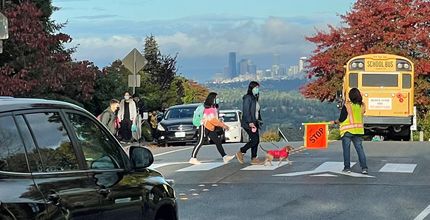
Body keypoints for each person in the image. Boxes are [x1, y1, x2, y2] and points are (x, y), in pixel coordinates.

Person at [189, 92, 235, 164]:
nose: (218, 100)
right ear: (213, 99)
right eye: (216, 98)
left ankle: (224, 156)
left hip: (210, 127)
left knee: (217, 141)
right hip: (204, 126)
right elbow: (212, 120)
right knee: (200, 142)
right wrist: (223, 126)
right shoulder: (208, 108)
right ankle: (193, 158)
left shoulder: (212, 107)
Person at [331, 88, 368, 174]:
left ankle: (347, 168)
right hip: (358, 131)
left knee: (346, 150)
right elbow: (362, 113)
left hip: (347, 131)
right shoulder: (362, 106)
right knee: (360, 150)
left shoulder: (347, 106)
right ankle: (364, 168)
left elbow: (342, 118)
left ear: (350, 96)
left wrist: (335, 122)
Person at [236, 81, 264, 165]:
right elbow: (246, 111)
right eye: (256, 88)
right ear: (251, 88)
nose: (257, 89)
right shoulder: (248, 97)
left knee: (256, 140)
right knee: (255, 140)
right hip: (248, 123)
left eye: (258, 88)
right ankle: (241, 151)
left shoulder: (254, 98)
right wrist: (250, 122)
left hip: (254, 122)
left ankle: (254, 158)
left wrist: (258, 120)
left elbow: (256, 111)